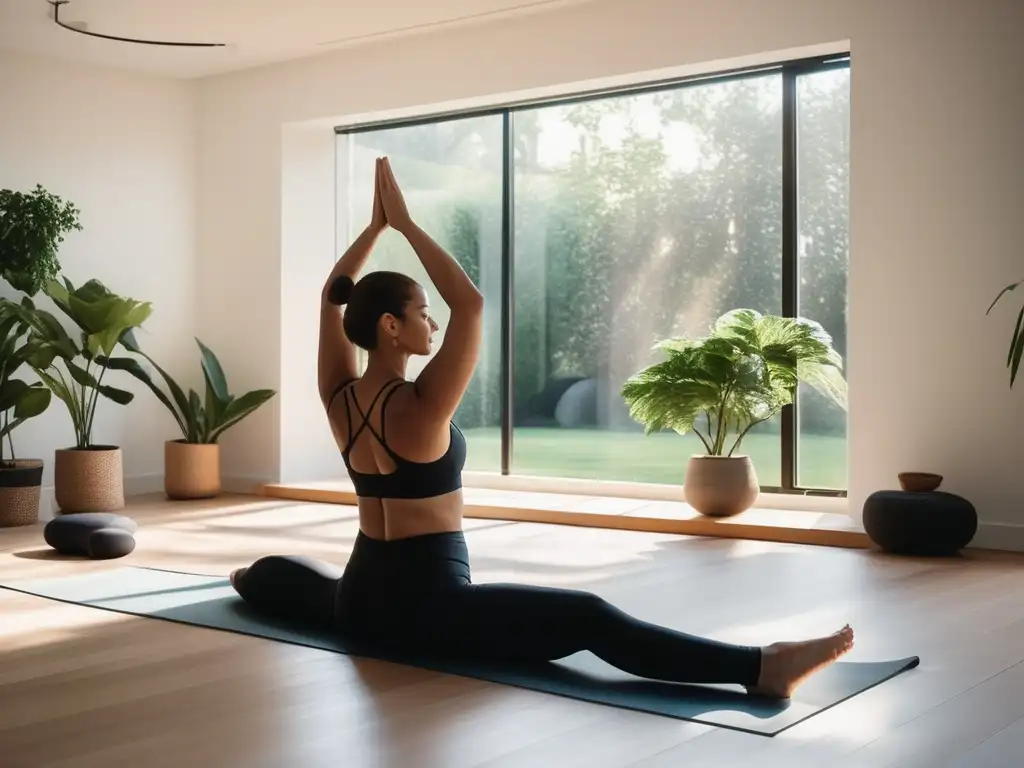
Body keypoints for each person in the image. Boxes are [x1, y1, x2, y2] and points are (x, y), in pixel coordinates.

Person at [230, 156, 854, 699]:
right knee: (586, 616)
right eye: (422, 313)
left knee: (294, 583)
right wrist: (404, 226)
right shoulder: (420, 407)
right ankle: (761, 667)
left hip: (361, 604)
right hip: (431, 610)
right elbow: (470, 304)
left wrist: (372, 232)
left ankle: (247, 578)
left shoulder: (338, 397)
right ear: (391, 326)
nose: (434, 323)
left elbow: (331, 301)